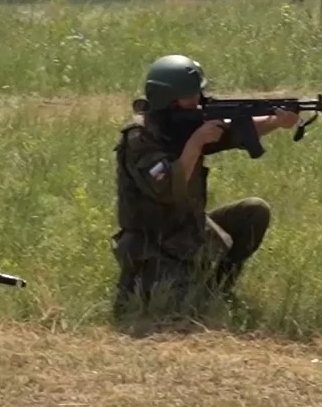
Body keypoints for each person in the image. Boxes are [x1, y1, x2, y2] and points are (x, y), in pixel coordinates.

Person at [112, 54, 298, 318]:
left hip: (188, 229)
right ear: (169, 99)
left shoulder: (186, 122)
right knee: (181, 311)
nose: (198, 100)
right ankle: (149, 289)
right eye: (190, 95)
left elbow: (234, 131)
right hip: (153, 244)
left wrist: (275, 122)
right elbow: (165, 188)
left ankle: (218, 288)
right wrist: (196, 143)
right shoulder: (140, 138)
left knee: (253, 211)